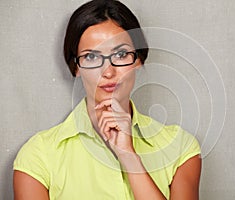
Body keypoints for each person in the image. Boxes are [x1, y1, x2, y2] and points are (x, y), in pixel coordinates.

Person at [13, 0, 202, 199]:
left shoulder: (181, 147)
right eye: (91, 57)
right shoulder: (37, 156)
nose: (108, 72)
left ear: (138, 59)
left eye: (120, 54)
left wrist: (129, 157)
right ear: (76, 67)